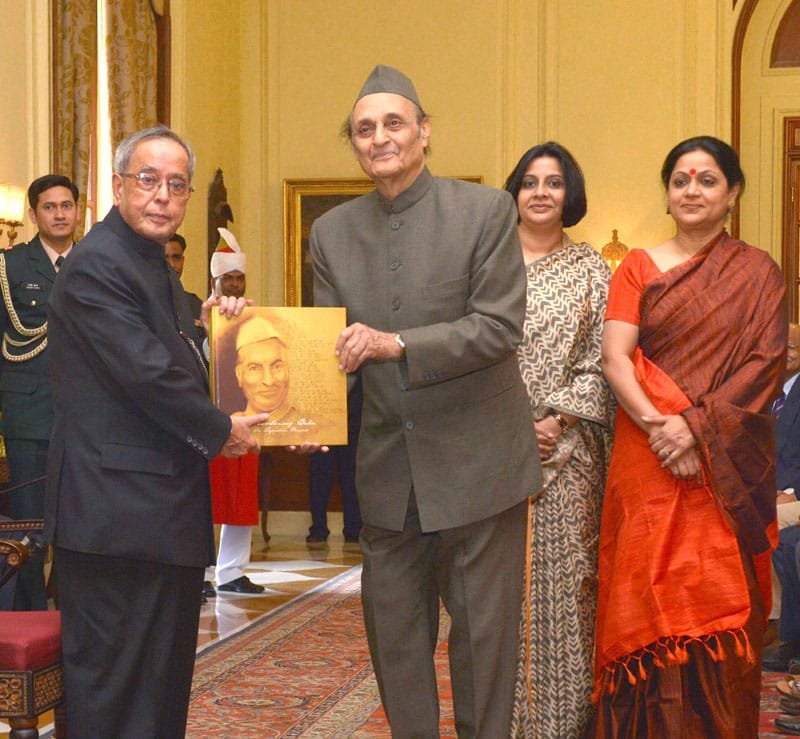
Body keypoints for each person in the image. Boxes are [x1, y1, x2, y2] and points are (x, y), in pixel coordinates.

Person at [309, 64, 542, 737]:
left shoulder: (486, 211)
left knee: (484, 649)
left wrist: (395, 343)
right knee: (396, 646)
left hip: (480, 471)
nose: (379, 137)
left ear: (424, 131)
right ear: (354, 144)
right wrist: (304, 404)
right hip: (387, 476)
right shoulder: (332, 233)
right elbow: (332, 349)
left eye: (393, 122)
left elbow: (498, 327)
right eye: (364, 128)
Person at [44, 125, 267, 738]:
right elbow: (146, 375)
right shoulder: (98, 264)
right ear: (117, 186)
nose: (162, 195)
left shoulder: (151, 264)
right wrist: (222, 429)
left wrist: (212, 333)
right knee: (114, 692)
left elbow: (167, 357)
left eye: (176, 184)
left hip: (156, 515)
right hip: (115, 518)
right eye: (148, 180)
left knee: (159, 688)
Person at [592, 135, 786, 736]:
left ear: (732, 192)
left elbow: (764, 363)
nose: (692, 190)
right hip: (647, 454)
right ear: (668, 194)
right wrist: (661, 427)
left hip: (720, 463)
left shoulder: (758, 272)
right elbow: (614, 358)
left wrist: (694, 429)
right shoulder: (637, 267)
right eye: (681, 180)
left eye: (707, 179)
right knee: (645, 596)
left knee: (713, 593)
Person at [502, 142, 612, 738]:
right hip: (490, 450)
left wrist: (555, 423)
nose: (541, 191)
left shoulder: (594, 269)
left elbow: (604, 359)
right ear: (514, 191)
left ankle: (565, 726)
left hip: (569, 458)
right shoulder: (484, 266)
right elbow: (467, 350)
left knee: (570, 590)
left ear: (571, 195)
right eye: (529, 181)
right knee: (495, 597)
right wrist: (512, 427)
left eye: (554, 182)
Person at [0, 174, 78, 610]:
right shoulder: (10, 266)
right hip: (28, 414)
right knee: (30, 527)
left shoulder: (94, 263)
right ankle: (30, 616)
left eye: (67, 205)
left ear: (77, 211)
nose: (60, 214)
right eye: (50, 207)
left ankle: (74, 617)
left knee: (79, 525)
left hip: (85, 417)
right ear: (33, 215)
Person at [205, 233, 266, 597]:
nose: (234, 284)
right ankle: (199, 575)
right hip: (206, 422)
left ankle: (231, 573)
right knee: (202, 498)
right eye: (228, 278)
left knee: (242, 494)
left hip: (245, 419)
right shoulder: (198, 314)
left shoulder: (256, 317)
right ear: (215, 280)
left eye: (239, 278)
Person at [764, 322, 800, 672]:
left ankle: (786, 636)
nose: (785, 354)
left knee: (781, 535)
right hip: (766, 491)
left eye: (792, 348)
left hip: (794, 496)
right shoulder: (767, 392)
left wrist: (792, 493)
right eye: (781, 346)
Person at [306, 375, 363, 545]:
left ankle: (354, 529)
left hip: (356, 412)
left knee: (352, 474)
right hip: (322, 414)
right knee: (319, 475)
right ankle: (318, 528)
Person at [164, 232, 205, 328]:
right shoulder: (144, 302)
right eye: (165, 258)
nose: (172, 264)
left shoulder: (195, 305)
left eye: (176, 258)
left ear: (182, 260)